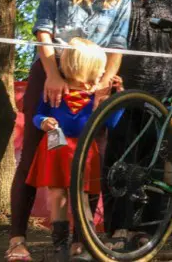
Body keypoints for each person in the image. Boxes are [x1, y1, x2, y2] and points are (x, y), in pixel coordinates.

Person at [6, 0, 131, 262]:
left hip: (94, 80)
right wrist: (52, 75)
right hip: (50, 73)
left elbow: (118, 47)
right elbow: (43, 30)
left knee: (91, 158)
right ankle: (18, 239)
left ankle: (81, 240)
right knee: (32, 155)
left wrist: (106, 82)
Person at [104, 0, 172, 247]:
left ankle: (148, 229)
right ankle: (118, 229)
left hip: (162, 88)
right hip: (122, 86)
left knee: (155, 160)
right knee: (121, 159)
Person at [26, 38, 121, 260]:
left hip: (85, 150)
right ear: (84, 68)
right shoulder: (55, 90)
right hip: (56, 150)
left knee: (82, 195)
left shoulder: (96, 96)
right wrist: (43, 122)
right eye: (99, 69)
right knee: (57, 194)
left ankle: (84, 244)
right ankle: (61, 245)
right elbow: (38, 114)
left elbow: (113, 122)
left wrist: (114, 99)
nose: (102, 73)